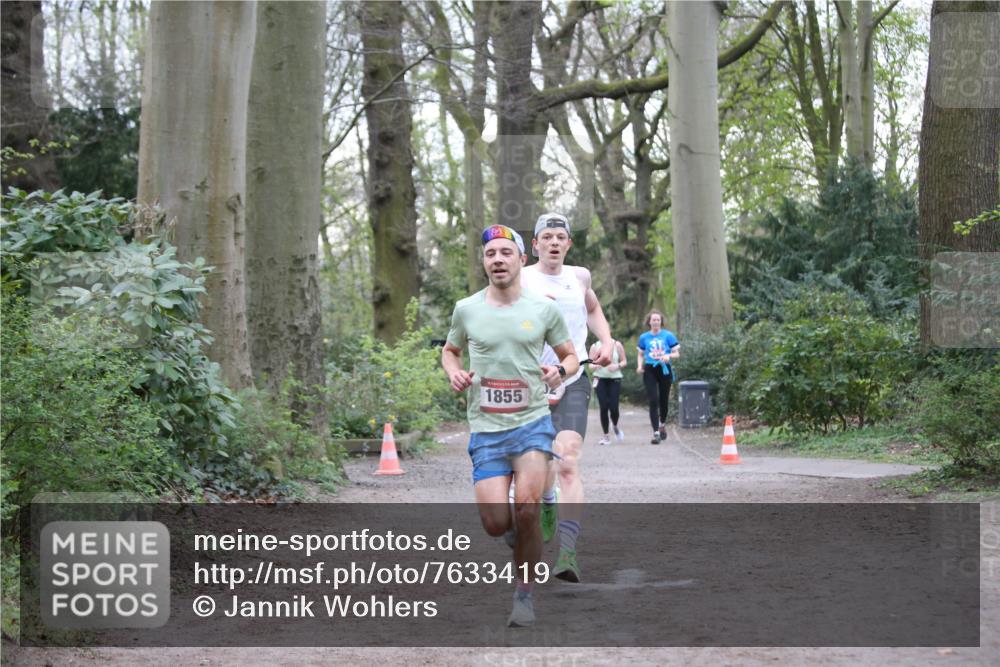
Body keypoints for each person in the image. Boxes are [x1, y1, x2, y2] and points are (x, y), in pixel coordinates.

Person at [441, 224, 579, 628]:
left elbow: (569, 357)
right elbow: (451, 351)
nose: (497, 260)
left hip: (532, 423)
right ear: (484, 262)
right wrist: (454, 372)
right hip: (486, 428)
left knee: (527, 507)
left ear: (522, 259)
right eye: (490, 254)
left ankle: (523, 597)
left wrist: (559, 372)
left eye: (505, 253)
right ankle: (515, 536)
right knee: (496, 522)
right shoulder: (466, 309)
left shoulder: (543, 309)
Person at [521, 212, 613, 583]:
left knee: (569, 459)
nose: (554, 243)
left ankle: (568, 553)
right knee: (541, 465)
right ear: (535, 244)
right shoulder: (520, 277)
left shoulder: (580, 277)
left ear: (569, 243)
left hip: (573, 378)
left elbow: (592, 308)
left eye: (561, 237)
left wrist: (605, 341)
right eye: (547, 237)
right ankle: (547, 502)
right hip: (530, 384)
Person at [636, 310, 680, 444]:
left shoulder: (668, 335)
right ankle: (656, 432)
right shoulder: (644, 337)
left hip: (664, 369)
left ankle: (662, 424)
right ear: (649, 322)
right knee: (653, 400)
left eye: (658, 320)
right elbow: (641, 354)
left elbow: (677, 353)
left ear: (661, 321)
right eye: (653, 320)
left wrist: (669, 356)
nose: (655, 322)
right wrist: (639, 366)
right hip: (650, 369)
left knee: (663, 400)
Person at [589, 339, 627, 446]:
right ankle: (606, 436)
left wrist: (617, 366)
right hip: (600, 379)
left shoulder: (616, 344)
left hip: (615, 379)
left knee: (614, 408)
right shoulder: (594, 346)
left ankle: (615, 426)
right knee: (604, 407)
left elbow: (624, 361)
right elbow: (590, 365)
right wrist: (596, 365)